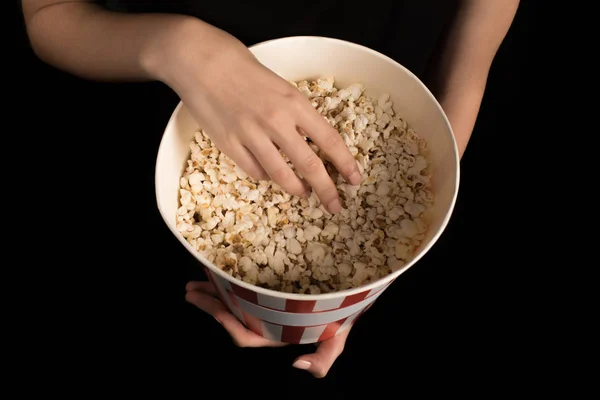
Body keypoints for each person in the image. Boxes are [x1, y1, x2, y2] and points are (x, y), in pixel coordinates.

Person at [22, 0, 520, 378]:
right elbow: (48, 13)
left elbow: (477, 33)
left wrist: (357, 290)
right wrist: (179, 47)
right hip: (150, 130)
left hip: (383, 103)